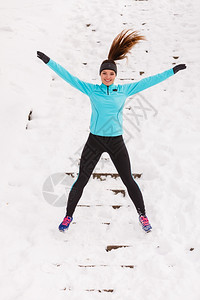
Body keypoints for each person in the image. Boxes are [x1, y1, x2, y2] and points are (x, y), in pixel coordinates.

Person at [37, 29, 186, 233]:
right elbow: (68, 77)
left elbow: (148, 81)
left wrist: (172, 71)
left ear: (116, 76)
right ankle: (68, 216)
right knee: (82, 179)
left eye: (111, 74)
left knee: (128, 179)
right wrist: (48, 61)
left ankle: (143, 215)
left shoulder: (124, 90)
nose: (108, 76)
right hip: (95, 141)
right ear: (100, 75)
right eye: (105, 73)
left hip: (116, 141)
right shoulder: (91, 89)